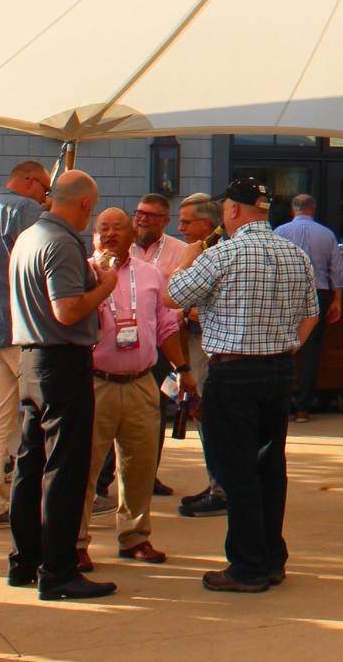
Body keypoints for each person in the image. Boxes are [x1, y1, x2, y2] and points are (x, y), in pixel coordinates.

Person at [166, 179, 318, 593]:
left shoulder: (222, 254)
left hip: (234, 372)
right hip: (279, 369)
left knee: (237, 470)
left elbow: (172, 295)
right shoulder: (295, 253)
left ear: (232, 210)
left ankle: (247, 565)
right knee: (270, 466)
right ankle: (271, 558)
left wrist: (189, 256)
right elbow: (311, 314)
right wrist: (284, 348)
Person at [7, 169, 120, 601]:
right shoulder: (61, 242)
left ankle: (24, 561)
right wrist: (105, 286)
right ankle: (58, 570)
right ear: (87, 205)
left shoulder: (29, 236)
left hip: (31, 358)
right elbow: (68, 310)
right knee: (65, 468)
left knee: (30, 462)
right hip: (62, 358)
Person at [78, 208, 192, 569]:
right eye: (102, 228)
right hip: (96, 384)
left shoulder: (150, 275)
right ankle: (76, 541)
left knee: (140, 466)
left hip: (142, 382)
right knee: (85, 467)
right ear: (93, 236)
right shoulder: (83, 273)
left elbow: (165, 329)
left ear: (132, 235)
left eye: (118, 228)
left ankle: (135, 537)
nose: (109, 234)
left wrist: (183, 369)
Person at [0, 159, 53, 531]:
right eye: (45, 188)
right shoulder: (25, 209)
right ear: (30, 180)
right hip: (21, 328)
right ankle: (43, 498)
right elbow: (42, 259)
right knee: (43, 413)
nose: (46, 196)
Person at [126, 192, 188, 499]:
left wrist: (171, 314)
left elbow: (186, 296)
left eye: (150, 215)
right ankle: (103, 479)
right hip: (120, 344)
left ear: (165, 221)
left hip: (161, 341)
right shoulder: (121, 246)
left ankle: (148, 475)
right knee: (114, 410)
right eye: (139, 213)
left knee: (155, 408)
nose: (142, 219)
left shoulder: (181, 251)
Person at [173, 193, 229, 518]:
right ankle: (216, 484)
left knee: (212, 418)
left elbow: (186, 301)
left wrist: (188, 310)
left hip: (212, 349)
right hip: (194, 347)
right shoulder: (196, 252)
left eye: (186, 222)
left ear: (206, 224)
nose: (180, 228)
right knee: (203, 416)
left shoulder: (213, 256)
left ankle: (221, 490)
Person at [274, 193, 343, 422]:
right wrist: (338, 300)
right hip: (317, 292)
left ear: (293, 210)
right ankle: (303, 407)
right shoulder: (326, 234)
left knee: (279, 348)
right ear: (313, 210)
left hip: (286, 293)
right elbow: (338, 269)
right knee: (311, 351)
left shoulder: (279, 233)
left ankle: (280, 404)